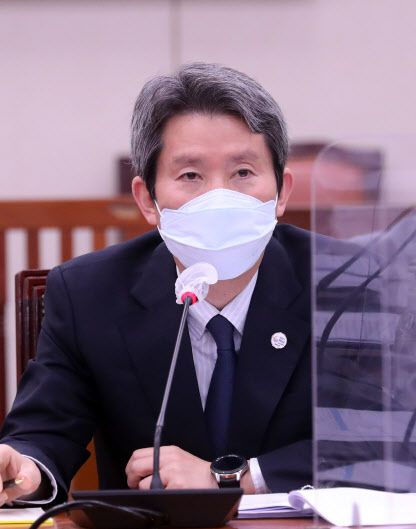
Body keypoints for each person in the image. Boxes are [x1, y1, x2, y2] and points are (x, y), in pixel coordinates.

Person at [0, 62, 312, 506]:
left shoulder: (351, 283)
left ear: (282, 191)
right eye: (191, 176)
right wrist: (23, 471)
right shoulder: (90, 293)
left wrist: (233, 479)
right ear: (148, 200)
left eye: (243, 172)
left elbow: (387, 442)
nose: (219, 198)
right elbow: (43, 433)